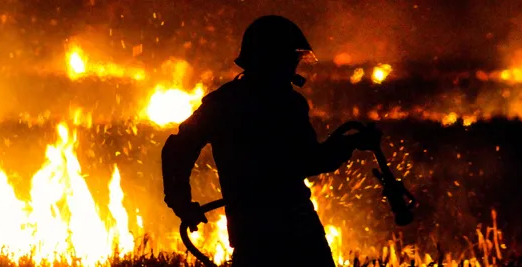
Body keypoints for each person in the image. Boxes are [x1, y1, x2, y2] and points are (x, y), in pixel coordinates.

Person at [161, 15, 379, 266]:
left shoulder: (225, 103)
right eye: (290, 59)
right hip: (290, 232)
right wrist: (350, 144)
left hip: (259, 233)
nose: (294, 67)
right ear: (272, 60)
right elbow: (309, 161)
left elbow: (178, 148)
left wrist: (181, 202)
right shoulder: (285, 104)